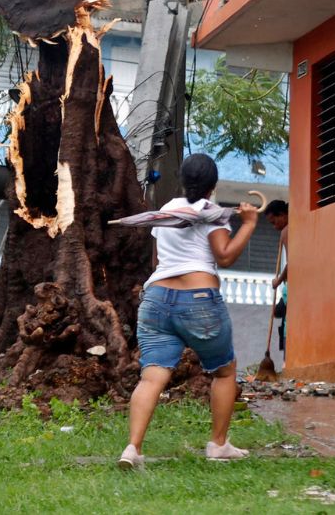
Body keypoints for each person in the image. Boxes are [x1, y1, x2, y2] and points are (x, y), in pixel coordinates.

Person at [120, 153, 259, 469]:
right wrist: (249, 225)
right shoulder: (211, 212)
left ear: (183, 180)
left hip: (155, 299)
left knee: (152, 375)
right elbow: (223, 256)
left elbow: (157, 261)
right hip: (198, 300)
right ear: (212, 185)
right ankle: (218, 445)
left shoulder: (166, 210)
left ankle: (133, 449)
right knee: (224, 369)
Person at [264, 200, 289, 352]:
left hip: (291, 288)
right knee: (278, 313)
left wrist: (278, 281)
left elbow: (293, 262)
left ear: (283, 215)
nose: (275, 227)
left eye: (274, 222)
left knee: (286, 322)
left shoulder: (287, 231)